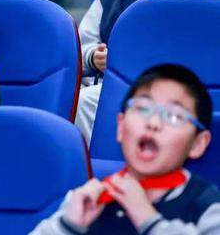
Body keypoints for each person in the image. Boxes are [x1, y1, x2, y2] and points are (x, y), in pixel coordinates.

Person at [32, 64, 220, 234]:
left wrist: (149, 221)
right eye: (143, 108)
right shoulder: (89, 198)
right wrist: (67, 227)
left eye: (173, 116)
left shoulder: (208, 207)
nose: (153, 123)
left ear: (198, 143)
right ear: (121, 127)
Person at [76, 0, 205, 143]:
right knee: (84, 99)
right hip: (109, 90)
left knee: (87, 101)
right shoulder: (108, 3)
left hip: (165, 96)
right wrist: (93, 57)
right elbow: (74, 53)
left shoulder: (191, 7)